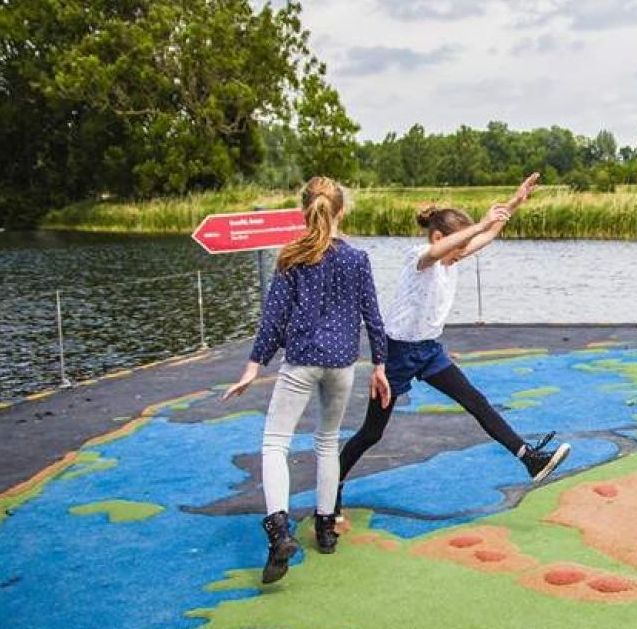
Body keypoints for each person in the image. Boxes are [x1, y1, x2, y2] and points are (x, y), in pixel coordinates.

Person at [336, 173, 569, 519]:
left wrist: (515, 203)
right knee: (372, 433)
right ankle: (332, 487)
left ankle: (529, 458)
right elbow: (443, 248)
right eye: (457, 246)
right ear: (439, 236)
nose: (462, 255)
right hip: (395, 353)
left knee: (476, 401)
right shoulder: (420, 258)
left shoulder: (451, 259)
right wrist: (475, 229)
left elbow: (488, 234)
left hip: (428, 351)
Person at [224, 176, 391, 584]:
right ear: (342, 210)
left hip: (301, 362)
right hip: (342, 364)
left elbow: (273, 320)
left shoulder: (291, 257)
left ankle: (279, 531)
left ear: (304, 211)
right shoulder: (357, 259)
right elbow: (374, 317)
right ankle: (325, 527)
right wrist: (380, 366)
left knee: (275, 443)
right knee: (327, 441)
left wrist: (253, 365)